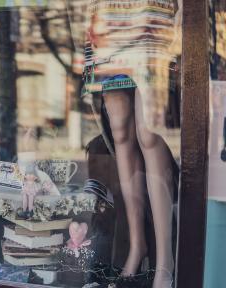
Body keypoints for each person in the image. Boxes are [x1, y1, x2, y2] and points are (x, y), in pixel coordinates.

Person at [83, 0, 181, 287]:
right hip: (108, 13)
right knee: (120, 130)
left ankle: (166, 258)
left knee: (149, 130)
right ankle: (137, 246)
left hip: (151, 10)